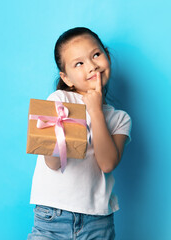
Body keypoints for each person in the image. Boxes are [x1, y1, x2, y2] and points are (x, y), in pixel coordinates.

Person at [27, 27, 132, 240]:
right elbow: (53, 163)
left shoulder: (120, 119)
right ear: (66, 78)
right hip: (52, 217)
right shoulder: (58, 101)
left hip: (98, 222)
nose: (92, 66)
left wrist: (95, 111)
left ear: (107, 56)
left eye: (96, 55)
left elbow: (107, 163)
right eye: (79, 63)